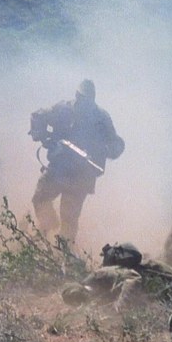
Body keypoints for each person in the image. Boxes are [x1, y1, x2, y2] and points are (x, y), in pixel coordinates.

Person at [29, 79, 124, 243]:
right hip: (58, 169)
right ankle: (46, 231)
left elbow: (117, 144)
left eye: (88, 99)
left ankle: (64, 251)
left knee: (69, 219)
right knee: (40, 199)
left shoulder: (101, 118)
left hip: (81, 176)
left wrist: (103, 150)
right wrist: (44, 137)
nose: (84, 103)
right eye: (82, 98)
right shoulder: (63, 109)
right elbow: (38, 116)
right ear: (76, 96)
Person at [62, 243, 172, 312]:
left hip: (164, 278)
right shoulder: (97, 283)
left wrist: (120, 307)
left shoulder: (101, 275)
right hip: (160, 290)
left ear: (85, 290)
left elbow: (133, 278)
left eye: (80, 301)